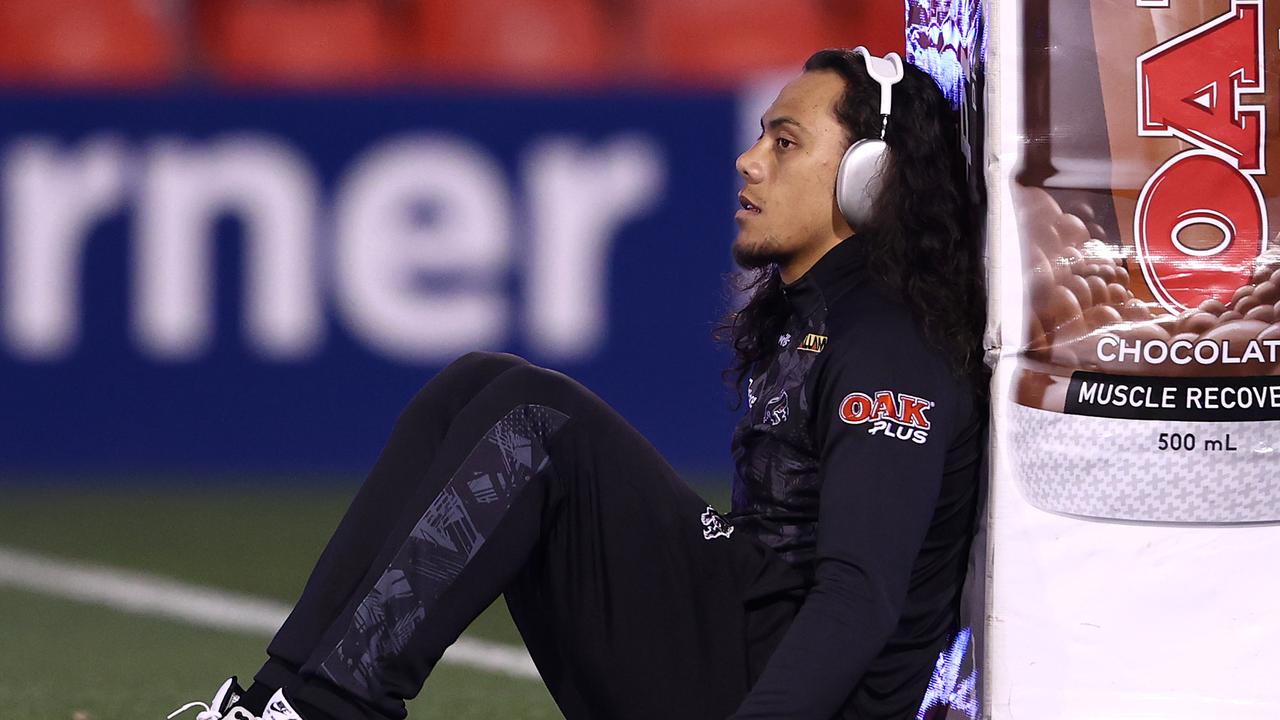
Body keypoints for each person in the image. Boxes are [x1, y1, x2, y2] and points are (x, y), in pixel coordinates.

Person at [170, 47, 987, 720]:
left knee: (534, 422)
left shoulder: (889, 350)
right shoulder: (819, 315)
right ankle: (279, 703)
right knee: (476, 383)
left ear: (868, 179)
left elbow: (856, 598)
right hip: (741, 644)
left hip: (778, 694)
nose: (748, 160)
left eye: (784, 142)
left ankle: (328, 713)